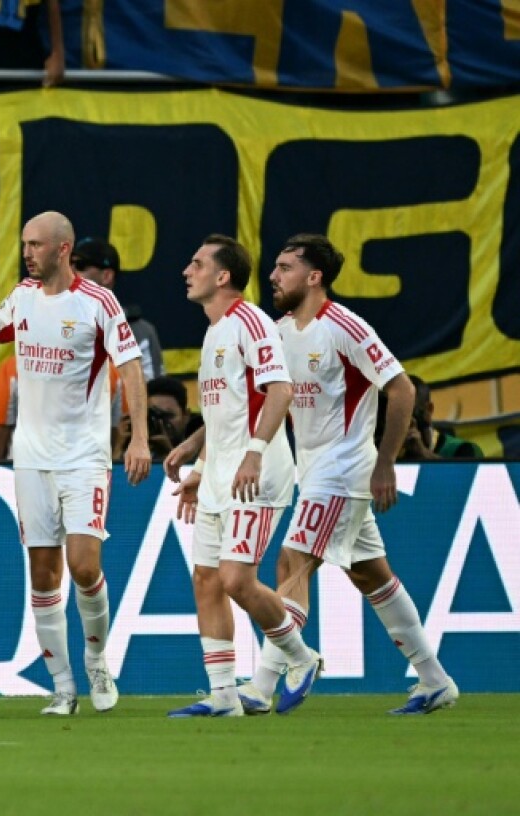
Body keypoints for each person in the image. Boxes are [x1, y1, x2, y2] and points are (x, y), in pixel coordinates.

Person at [0, 210, 151, 715]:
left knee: (84, 566)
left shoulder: (97, 302)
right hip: (31, 459)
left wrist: (139, 438)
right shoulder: (23, 297)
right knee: (43, 575)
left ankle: (96, 660)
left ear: (63, 249)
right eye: (25, 243)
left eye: (36, 244)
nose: (27, 253)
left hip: (84, 456)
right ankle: (63, 688)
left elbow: (130, 367)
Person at [231, 234, 457, 715]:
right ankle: (435, 680)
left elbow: (401, 389)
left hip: (343, 468)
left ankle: (263, 684)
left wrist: (385, 462)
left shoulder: (345, 327)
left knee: (293, 561)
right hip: (312, 469)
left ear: (314, 277)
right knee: (370, 575)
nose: (273, 276)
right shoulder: (279, 331)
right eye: (276, 266)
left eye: (285, 267)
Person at [162, 234, 320, 718]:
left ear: (223, 275)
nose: (187, 272)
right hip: (219, 477)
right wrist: (198, 463)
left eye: (196, 263)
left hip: (256, 477)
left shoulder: (251, 322)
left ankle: (300, 657)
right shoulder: (214, 332)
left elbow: (280, 391)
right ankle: (224, 696)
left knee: (235, 579)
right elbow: (225, 414)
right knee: (206, 580)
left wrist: (253, 455)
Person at [71, 237, 164, 382]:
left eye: (80, 265)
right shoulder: (52, 319)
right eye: (68, 265)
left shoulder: (140, 331)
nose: (70, 272)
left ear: (106, 276)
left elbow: (153, 390)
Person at [146, 375, 191, 447]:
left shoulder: (203, 446)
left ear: (186, 416)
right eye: (153, 415)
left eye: (168, 416)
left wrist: (167, 451)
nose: (160, 423)